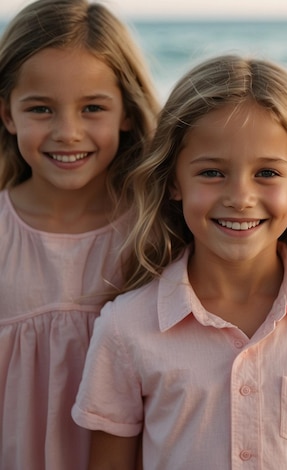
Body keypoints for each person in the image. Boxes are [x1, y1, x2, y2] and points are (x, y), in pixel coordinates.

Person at [71, 54, 287, 469]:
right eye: (212, 173)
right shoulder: (125, 328)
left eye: (267, 173)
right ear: (174, 181)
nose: (240, 197)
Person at [0, 0, 160, 467]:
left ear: (127, 112)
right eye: (41, 109)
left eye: (92, 108)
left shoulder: (153, 230)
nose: (68, 132)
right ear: (8, 114)